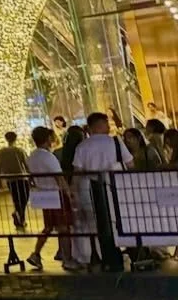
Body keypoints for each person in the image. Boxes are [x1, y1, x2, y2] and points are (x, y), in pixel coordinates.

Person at [71, 111, 129, 270]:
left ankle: (99, 257)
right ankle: (117, 253)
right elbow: (130, 165)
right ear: (101, 125)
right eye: (107, 123)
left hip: (88, 191)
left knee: (93, 225)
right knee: (116, 221)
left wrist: (73, 193)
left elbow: (77, 172)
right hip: (115, 190)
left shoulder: (82, 146)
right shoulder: (116, 142)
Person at [24, 126, 72, 270]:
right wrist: (68, 193)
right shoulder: (48, 156)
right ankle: (67, 258)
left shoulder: (32, 156)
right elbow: (59, 177)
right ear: (48, 139)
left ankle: (36, 253)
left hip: (43, 194)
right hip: (55, 193)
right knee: (63, 228)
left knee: (48, 227)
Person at [0, 131, 29, 226]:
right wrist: (31, 177)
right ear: (15, 138)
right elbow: (26, 164)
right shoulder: (19, 150)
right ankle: (20, 216)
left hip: (10, 179)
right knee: (24, 198)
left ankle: (18, 215)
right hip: (22, 177)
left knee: (16, 198)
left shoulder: (1, 152)